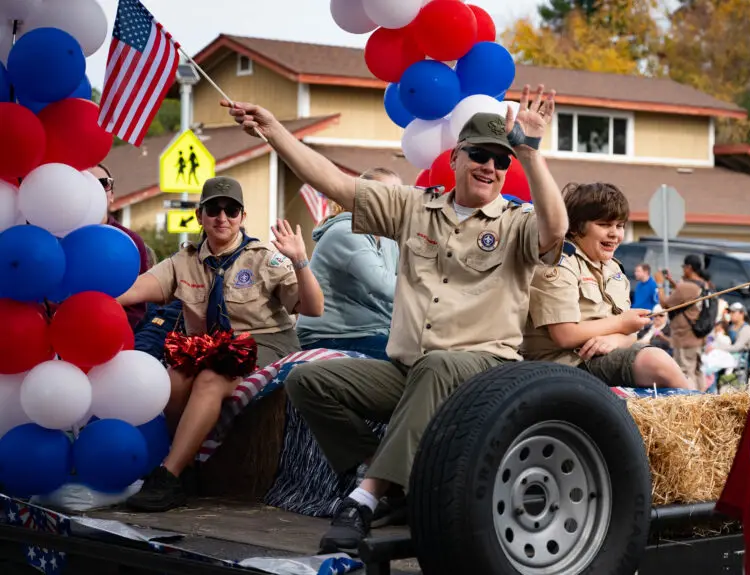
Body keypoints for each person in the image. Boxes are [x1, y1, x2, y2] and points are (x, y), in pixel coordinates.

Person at [222, 85, 568, 554]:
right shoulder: (414, 206)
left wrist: (529, 152)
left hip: (482, 372)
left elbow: (555, 229)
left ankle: (364, 501)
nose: (490, 165)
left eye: (500, 159)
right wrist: (275, 132)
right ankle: (384, 478)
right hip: (410, 369)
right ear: (456, 158)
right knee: (307, 380)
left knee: (438, 365)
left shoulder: (515, 222)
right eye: (480, 154)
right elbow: (335, 184)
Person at [114, 176, 325, 512]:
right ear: (200, 215)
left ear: (242, 216)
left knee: (210, 380)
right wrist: (85, 294)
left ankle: (168, 476)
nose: (222, 217)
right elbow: (135, 290)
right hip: (210, 348)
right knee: (171, 381)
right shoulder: (184, 261)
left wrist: (300, 261)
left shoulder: (264, 258)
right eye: (214, 208)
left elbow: (313, 308)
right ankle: (189, 469)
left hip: (264, 344)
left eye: (231, 209)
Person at [521, 182, 695, 390]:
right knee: (656, 362)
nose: (615, 234)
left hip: (602, 359)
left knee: (665, 365)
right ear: (576, 227)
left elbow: (630, 334)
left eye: (620, 226)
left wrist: (616, 339)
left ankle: (699, 412)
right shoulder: (559, 263)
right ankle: (705, 418)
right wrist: (620, 324)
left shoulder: (614, 270)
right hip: (565, 366)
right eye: (604, 224)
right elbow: (565, 335)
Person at [295, 168, 402, 360]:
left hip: (371, 332)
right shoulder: (346, 232)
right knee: (415, 360)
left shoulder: (388, 237)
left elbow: (406, 278)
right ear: (363, 199)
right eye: (387, 195)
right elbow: (384, 286)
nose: (396, 203)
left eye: (399, 196)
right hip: (331, 337)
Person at [87, 163, 153, 329]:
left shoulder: (130, 241)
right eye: (86, 182)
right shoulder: (59, 237)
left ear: (112, 196)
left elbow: (138, 307)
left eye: (103, 183)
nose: (95, 189)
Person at [663, 255, 709, 385]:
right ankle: (703, 401)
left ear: (689, 268)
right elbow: (684, 296)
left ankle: (692, 402)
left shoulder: (687, 287)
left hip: (685, 337)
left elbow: (665, 304)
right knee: (697, 371)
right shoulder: (704, 284)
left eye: (683, 267)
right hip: (699, 336)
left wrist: (660, 283)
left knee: (685, 372)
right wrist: (673, 283)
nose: (683, 270)